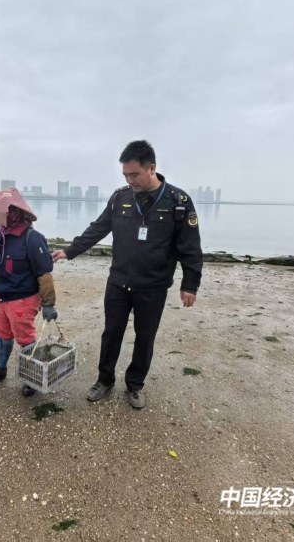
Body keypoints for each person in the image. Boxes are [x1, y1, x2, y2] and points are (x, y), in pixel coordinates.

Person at [52, 140, 202, 409]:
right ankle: (104, 380)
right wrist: (71, 251)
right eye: (125, 175)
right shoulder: (120, 197)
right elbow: (98, 228)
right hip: (119, 282)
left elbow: (190, 247)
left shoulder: (178, 202)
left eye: (135, 175)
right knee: (111, 333)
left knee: (145, 337)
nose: (130, 180)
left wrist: (190, 284)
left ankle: (135, 385)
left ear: (152, 168)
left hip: (153, 286)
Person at [0, 188, 57, 396]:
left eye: (0, 209)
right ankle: (0, 370)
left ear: (14, 212)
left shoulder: (32, 238)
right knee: (3, 336)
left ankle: (32, 377)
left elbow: (44, 273)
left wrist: (48, 304)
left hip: (22, 300)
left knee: (26, 339)